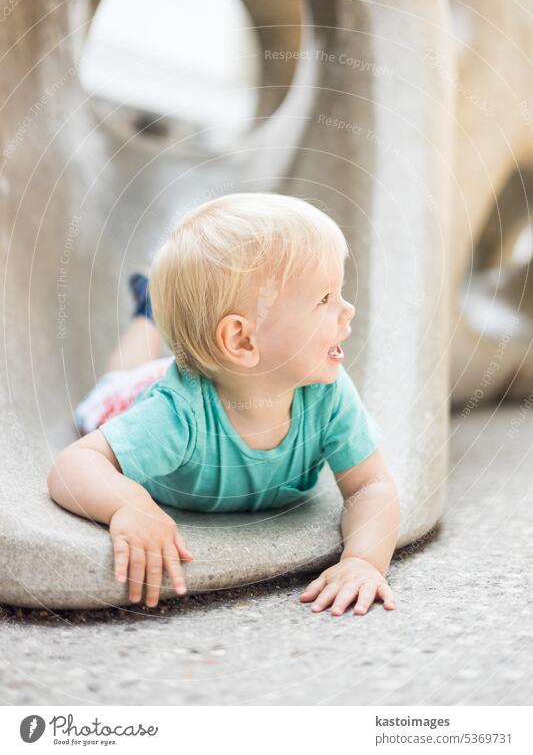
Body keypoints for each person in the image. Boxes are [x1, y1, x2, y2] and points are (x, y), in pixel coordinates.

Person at [48, 192, 400, 614]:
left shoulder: (327, 392)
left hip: (206, 369)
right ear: (242, 340)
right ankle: (148, 312)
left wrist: (363, 561)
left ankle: (152, 310)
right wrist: (129, 505)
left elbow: (371, 485)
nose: (348, 309)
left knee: (151, 367)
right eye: (324, 300)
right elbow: (72, 466)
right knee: (121, 376)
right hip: (132, 395)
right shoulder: (178, 413)